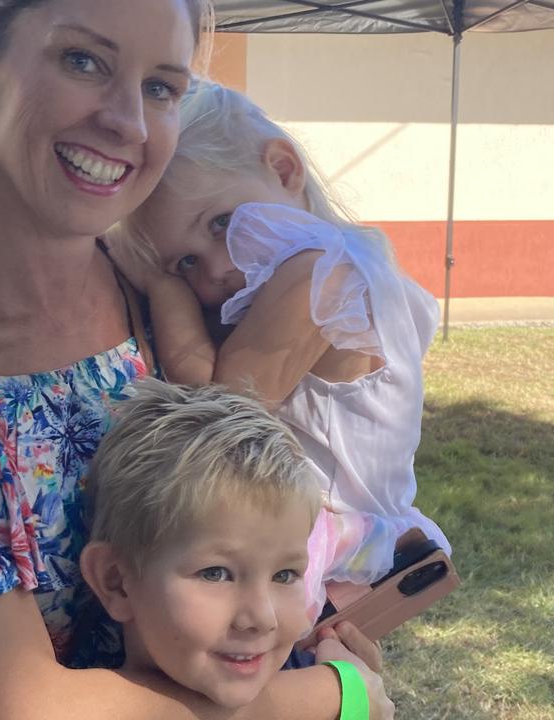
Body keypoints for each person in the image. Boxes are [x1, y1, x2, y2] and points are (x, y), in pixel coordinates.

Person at [0, 2, 392, 719]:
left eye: (161, 86)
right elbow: (16, 708)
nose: (129, 123)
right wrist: (333, 695)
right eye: (84, 61)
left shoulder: (160, 291)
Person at [109, 80, 451, 616]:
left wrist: (163, 286)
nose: (216, 269)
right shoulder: (339, 265)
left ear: (284, 170)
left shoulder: (322, 275)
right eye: (186, 262)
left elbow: (219, 409)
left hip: (333, 535)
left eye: (221, 224)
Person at [79, 380, 392, 717]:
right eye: (216, 574)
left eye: (285, 575)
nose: (262, 617)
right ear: (116, 581)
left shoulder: (308, 680)